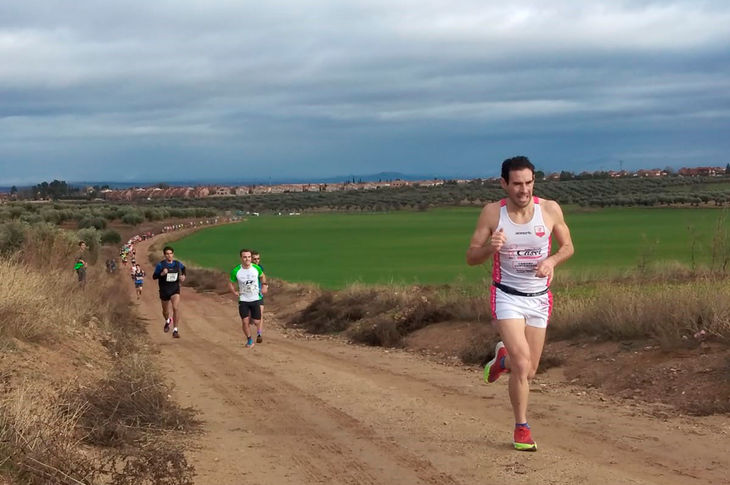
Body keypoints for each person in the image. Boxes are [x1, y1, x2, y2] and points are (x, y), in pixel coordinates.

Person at [466, 156, 574, 452]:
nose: (523, 190)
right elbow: (471, 257)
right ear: (504, 184)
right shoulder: (492, 214)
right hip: (507, 296)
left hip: (539, 298)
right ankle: (521, 427)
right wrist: (490, 248)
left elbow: (568, 246)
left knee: (529, 370)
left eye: (528, 183)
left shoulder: (550, 210)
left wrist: (551, 261)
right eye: (516, 184)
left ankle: (503, 360)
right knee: (523, 364)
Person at [228, 249, 267, 348]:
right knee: (245, 321)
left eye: (249, 257)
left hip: (255, 299)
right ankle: (249, 340)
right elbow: (230, 283)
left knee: (257, 321)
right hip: (243, 300)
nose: (247, 259)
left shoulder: (256, 268)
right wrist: (234, 292)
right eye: (245, 257)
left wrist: (264, 286)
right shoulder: (236, 271)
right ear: (241, 258)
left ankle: (257, 329)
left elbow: (262, 277)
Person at [152, 246, 186, 338]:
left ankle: (175, 330)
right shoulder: (161, 265)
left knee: (175, 308)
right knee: (165, 311)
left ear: (173, 254)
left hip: (175, 289)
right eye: (167, 254)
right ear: (164, 255)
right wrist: (161, 274)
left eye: (171, 253)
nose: (169, 255)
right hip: (164, 290)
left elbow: (184, 269)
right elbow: (154, 276)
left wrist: (183, 276)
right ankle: (167, 320)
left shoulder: (177, 264)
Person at [251, 250, 266, 343]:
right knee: (251, 319)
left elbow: (263, 277)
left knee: (260, 314)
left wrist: (264, 285)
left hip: (258, 295)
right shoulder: (245, 269)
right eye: (254, 259)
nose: (257, 261)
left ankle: (259, 334)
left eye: (258, 259)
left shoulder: (260, 268)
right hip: (248, 296)